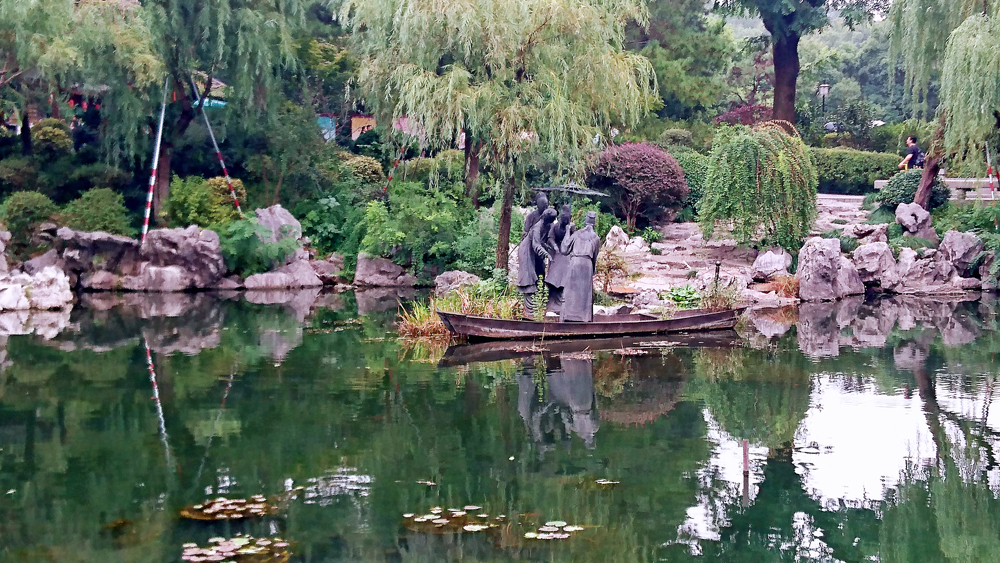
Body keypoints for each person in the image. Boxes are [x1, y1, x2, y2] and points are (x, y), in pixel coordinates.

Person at [559, 211, 600, 323]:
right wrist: (593, 270)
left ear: (585, 220)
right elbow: (595, 257)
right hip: (587, 264)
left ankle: (567, 316)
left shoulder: (576, 234)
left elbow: (564, 249)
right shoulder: (596, 238)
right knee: (585, 294)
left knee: (570, 291)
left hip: (575, 262)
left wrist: (568, 231)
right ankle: (584, 318)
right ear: (594, 223)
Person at [516, 207, 557, 318]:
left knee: (540, 274)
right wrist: (547, 254)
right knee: (529, 277)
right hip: (526, 252)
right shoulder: (537, 227)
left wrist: (548, 247)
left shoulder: (545, 226)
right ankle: (529, 311)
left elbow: (541, 242)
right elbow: (536, 245)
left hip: (533, 253)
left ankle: (537, 305)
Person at [545, 204, 574, 313]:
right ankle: (552, 301)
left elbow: (574, 239)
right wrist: (555, 246)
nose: (564, 221)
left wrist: (568, 230)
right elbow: (550, 238)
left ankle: (563, 300)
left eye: (567, 219)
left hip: (566, 253)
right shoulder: (555, 226)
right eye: (563, 219)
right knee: (554, 273)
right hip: (556, 252)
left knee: (565, 275)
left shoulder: (571, 227)